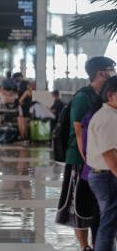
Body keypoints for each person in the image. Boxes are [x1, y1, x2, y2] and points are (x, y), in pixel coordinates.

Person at [56, 56, 116, 251]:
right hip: (81, 159)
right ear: (101, 73)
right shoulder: (83, 96)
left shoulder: (104, 95)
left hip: (98, 159)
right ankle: (85, 247)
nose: (113, 72)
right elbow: (80, 132)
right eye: (111, 69)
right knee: (79, 204)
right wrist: (89, 161)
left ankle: (99, 243)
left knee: (98, 208)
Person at [86, 76, 117, 251]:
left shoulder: (110, 115)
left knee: (110, 222)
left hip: (105, 175)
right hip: (108, 176)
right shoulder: (108, 118)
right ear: (111, 95)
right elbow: (109, 154)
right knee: (109, 224)